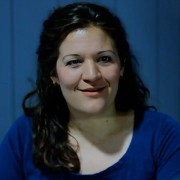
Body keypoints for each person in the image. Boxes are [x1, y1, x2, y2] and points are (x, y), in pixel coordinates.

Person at [0, 2, 179, 179]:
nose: (92, 75)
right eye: (74, 62)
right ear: (53, 74)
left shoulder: (162, 136)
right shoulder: (25, 136)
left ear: (122, 66)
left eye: (104, 59)